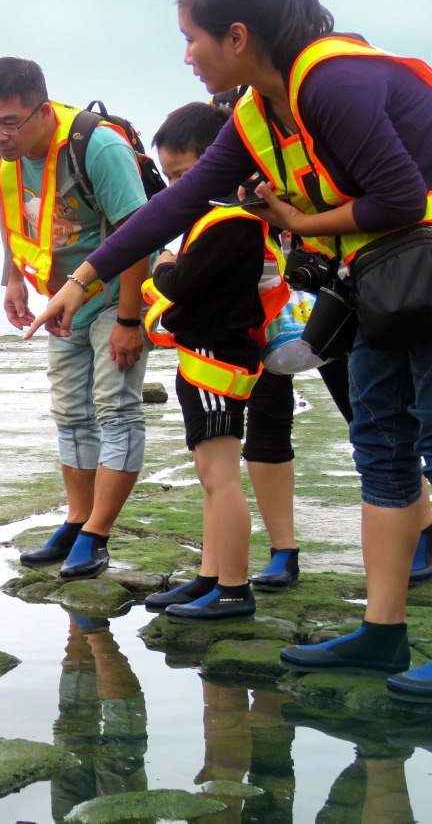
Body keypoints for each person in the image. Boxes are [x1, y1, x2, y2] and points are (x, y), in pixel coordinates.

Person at [29, 0, 432, 697]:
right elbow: (168, 211)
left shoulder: (331, 82)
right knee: (383, 449)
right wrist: (80, 280)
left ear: (238, 36)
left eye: (192, 38)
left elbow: (403, 198)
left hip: (419, 268)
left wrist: (303, 221)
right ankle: (382, 634)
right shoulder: (253, 115)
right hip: (380, 286)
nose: (186, 55)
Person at [0, 57, 151, 581]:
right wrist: (11, 279)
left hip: (114, 293)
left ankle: (97, 533)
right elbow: (11, 219)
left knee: (116, 411)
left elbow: (140, 230)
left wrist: (128, 319)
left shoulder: (97, 146)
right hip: (58, 301)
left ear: (44, 111)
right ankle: (77, 519)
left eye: (9, 122)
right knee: (71, 414)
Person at [136, 102, 288, 622]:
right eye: (170, 176)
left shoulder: (231, 221)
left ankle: (233, 589)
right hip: (208, 355)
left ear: (217, 161)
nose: (176, 187)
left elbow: (182, 283)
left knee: (220, 474)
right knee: (209, 471)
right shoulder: (214, 216)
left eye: (184, 174)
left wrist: (162, 265)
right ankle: (211, 575)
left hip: (217, 358)